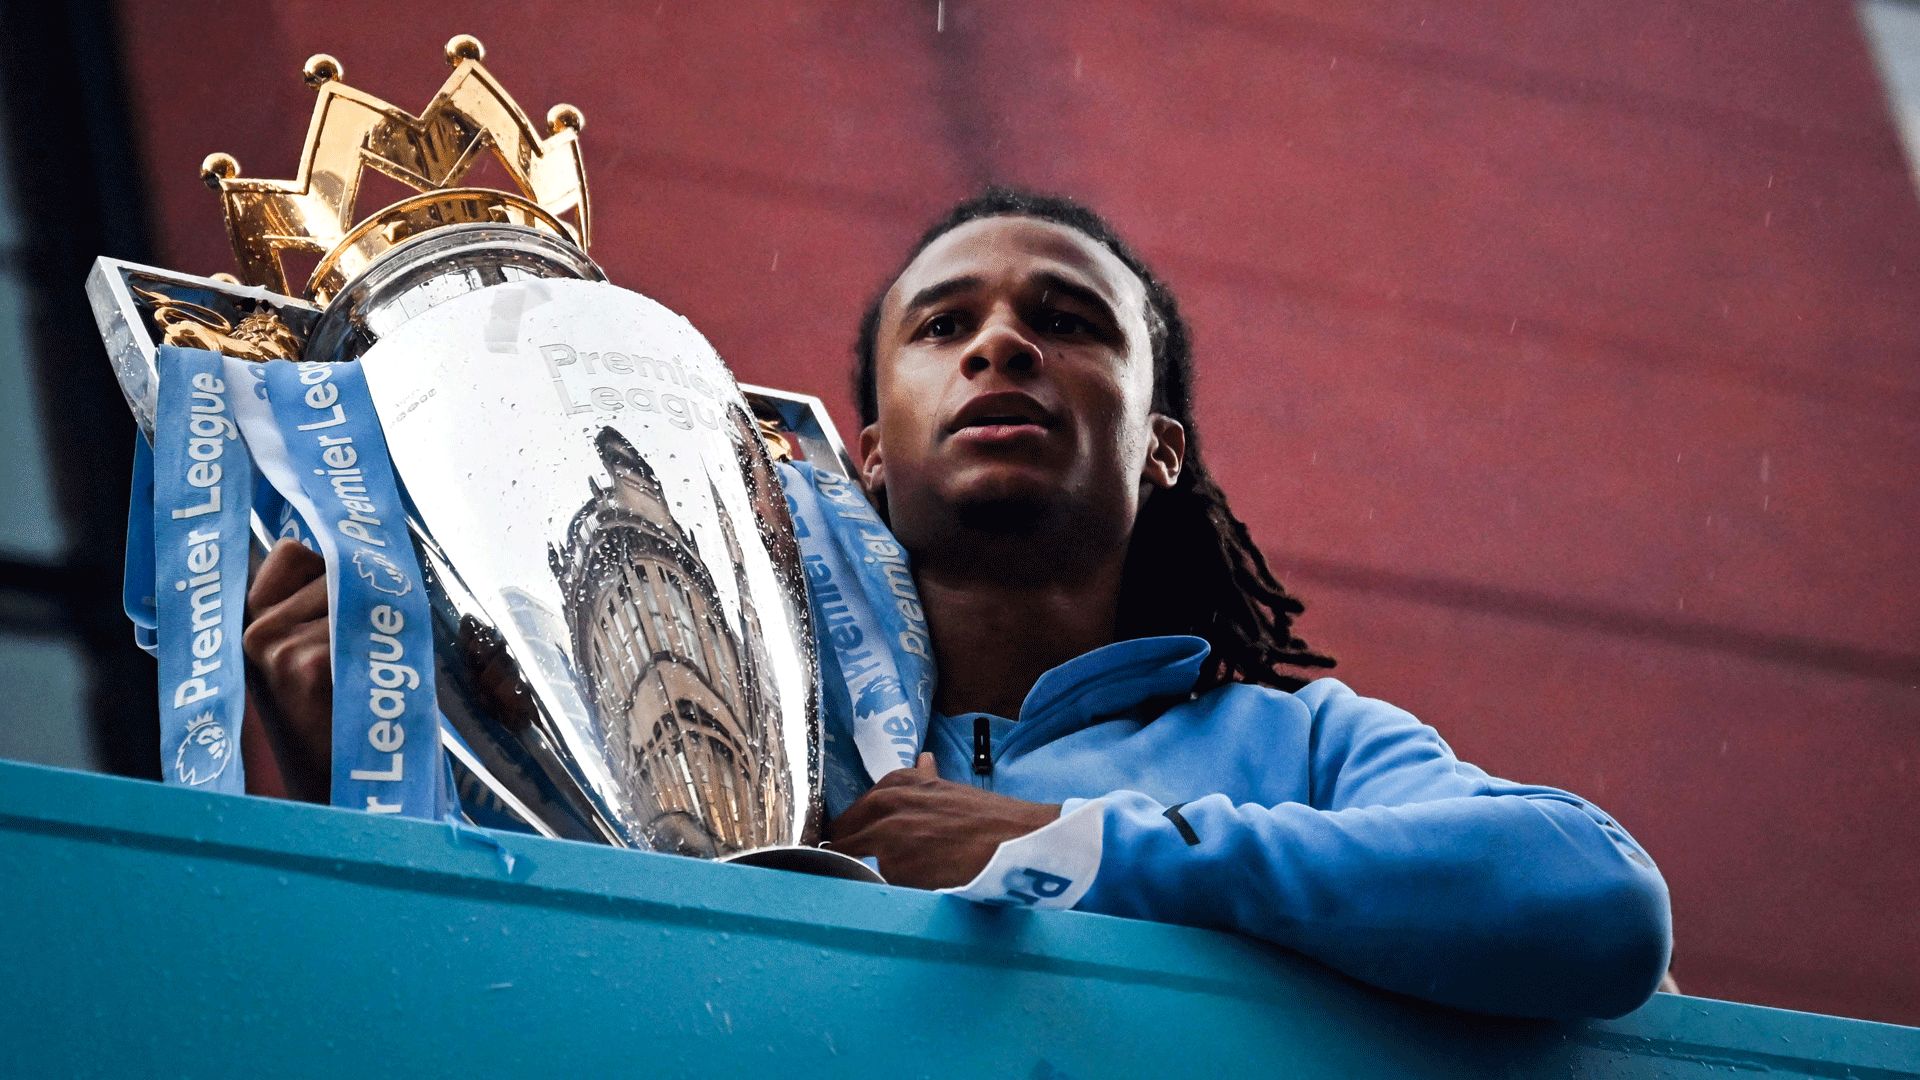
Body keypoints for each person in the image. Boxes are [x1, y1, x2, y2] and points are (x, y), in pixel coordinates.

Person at [241, 188, 1671, 1020]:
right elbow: (525, 1008)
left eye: (1066, 320)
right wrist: (347, 782)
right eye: (945, 327)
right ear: (862, 450)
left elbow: (1593, 903)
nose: (1002, 343)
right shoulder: (702, 731)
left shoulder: (1302, 747)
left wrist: (1077, 850)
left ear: (1159, 446)